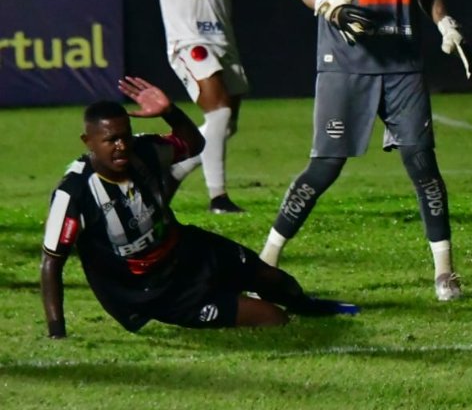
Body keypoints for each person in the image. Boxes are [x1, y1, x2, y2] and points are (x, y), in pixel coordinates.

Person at [259, 0, 472, 303]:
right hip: (345, 60)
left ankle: (446, 272)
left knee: (423, 165)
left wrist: (443, 21)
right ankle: (265, 264)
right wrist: (326, 5)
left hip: (403, 62)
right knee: (324, 167)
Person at [26, 0, 301, 214]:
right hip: (189, 41)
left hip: (223, 40)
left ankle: (173, 172)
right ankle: (218, 198)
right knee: (216, 114)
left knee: (225, 125)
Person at [40, 77, 358, 338]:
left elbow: (194, 145)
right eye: (111, 140)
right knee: (273, 319)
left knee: (275, 280)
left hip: (189, 250)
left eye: (124, 137)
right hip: (158, 292)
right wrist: (57, 332)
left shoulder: (144, 151)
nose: (121, 146)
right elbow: (51, 263)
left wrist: (170, 111)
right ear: (88, 141)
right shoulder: (74, 193)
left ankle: (310, 307)